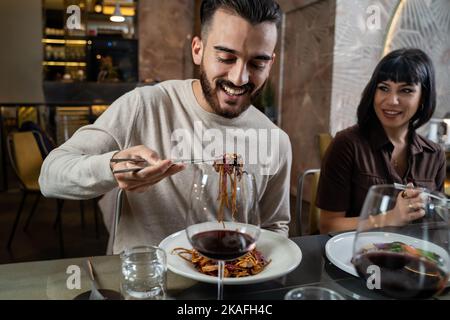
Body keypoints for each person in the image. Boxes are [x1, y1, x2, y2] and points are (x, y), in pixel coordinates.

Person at [39, 0, 292, 254]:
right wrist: (112, 168)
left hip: (229, 280)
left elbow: (273, 225)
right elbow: (50, 175)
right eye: (226, 57)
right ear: (197, 50)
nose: (240, 78)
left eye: (257, 64)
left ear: (270, 63)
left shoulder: (275, 140)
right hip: (146, 283)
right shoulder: (144, 106)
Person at [316, 48, 446, 234]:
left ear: (422, 98)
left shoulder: (434, 155)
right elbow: (328, 226)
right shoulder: (346, 144)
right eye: (384, 88)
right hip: (356, 256)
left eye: (406, 90)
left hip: (412, 258)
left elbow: (436, 225)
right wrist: (391, 218)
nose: (392, 100)